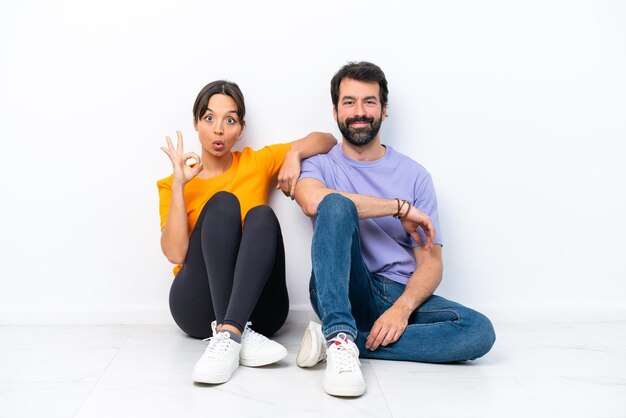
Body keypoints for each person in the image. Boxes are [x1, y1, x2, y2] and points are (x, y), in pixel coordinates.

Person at [294, 62, 496, 397]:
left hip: (398, 292)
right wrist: (397, 206)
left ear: (384, 111)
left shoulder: (415, 175)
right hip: (342, 286)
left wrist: (400, 311)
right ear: (335, 111)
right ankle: (341, 332)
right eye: (349, 102)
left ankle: (340, 340)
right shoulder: (319, 164)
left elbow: (431, 263)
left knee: (478, 332)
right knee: (335, 203)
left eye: (369, 102)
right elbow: (312, 201)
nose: (360, 112)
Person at [157, 80, 336, 384]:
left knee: (262, 215)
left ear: (240, 128)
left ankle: (231, 332)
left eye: (230, 120)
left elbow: (328, 139)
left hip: (262, 310)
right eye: (209, 118)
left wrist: (293, 154)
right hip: (196, 309)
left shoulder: (255, 162)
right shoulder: (172, 184)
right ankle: (232, 331)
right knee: (224, 204)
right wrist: (178, 185)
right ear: (196, 123)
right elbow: (175, 254)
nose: (218, 129)